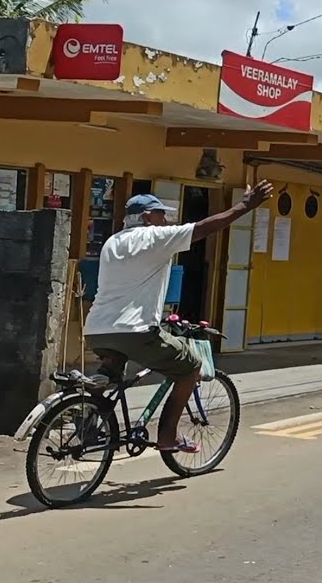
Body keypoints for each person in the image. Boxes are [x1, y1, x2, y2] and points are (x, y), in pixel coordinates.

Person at [83, 182, 274, 453]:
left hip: (97, 330)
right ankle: (168, 436)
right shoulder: (154, 238)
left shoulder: (112, 242)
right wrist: (245, 205)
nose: (165, 220)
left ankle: (89, 419)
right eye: (161, 215)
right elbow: (204, 228)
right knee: (189, 368)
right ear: (147, 217)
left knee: (111, 374)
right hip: (135, 331)